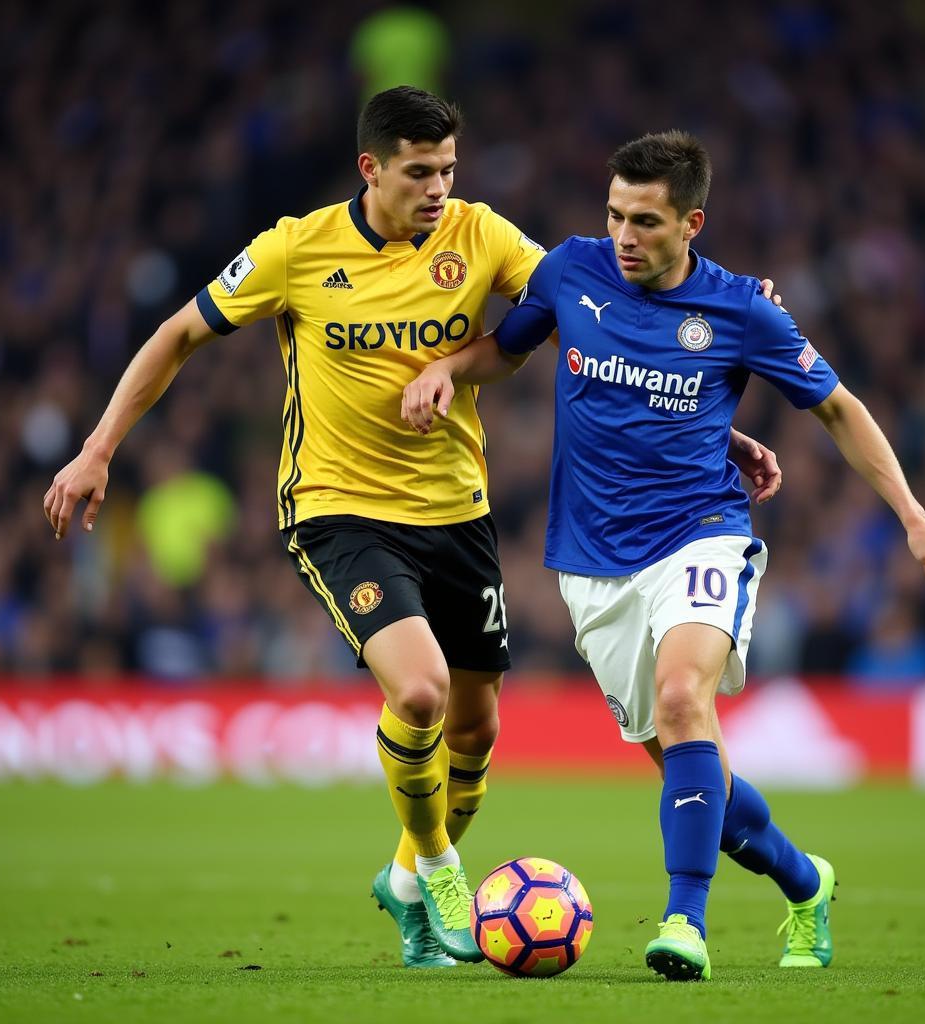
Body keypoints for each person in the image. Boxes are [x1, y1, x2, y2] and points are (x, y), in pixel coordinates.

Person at [43, 87, 781, 971]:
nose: (440, 187)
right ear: (373, 168)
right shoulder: (296, 247)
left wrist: (718, 422)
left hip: (455, 510)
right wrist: (97, 449)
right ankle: (436, 867)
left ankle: (400, 881)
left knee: (474, 730)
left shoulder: (483, 235)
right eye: (421, 172)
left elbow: (605, 315)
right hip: (338, 508)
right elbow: (176, 336)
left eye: (450, 170)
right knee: (422, 692)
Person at [401, 129, 925, 981]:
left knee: (681, 698)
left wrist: (914, 514)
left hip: (701, 535)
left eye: (646, 221)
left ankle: (685, 922)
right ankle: (807, 883)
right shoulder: (571, 270)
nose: (625, 235)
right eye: (615, 215)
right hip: (593, 564)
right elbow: (510, 347)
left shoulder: (743, 309)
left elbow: (839, 409)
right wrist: (451, 366)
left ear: (692, 222)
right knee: (692, 768)